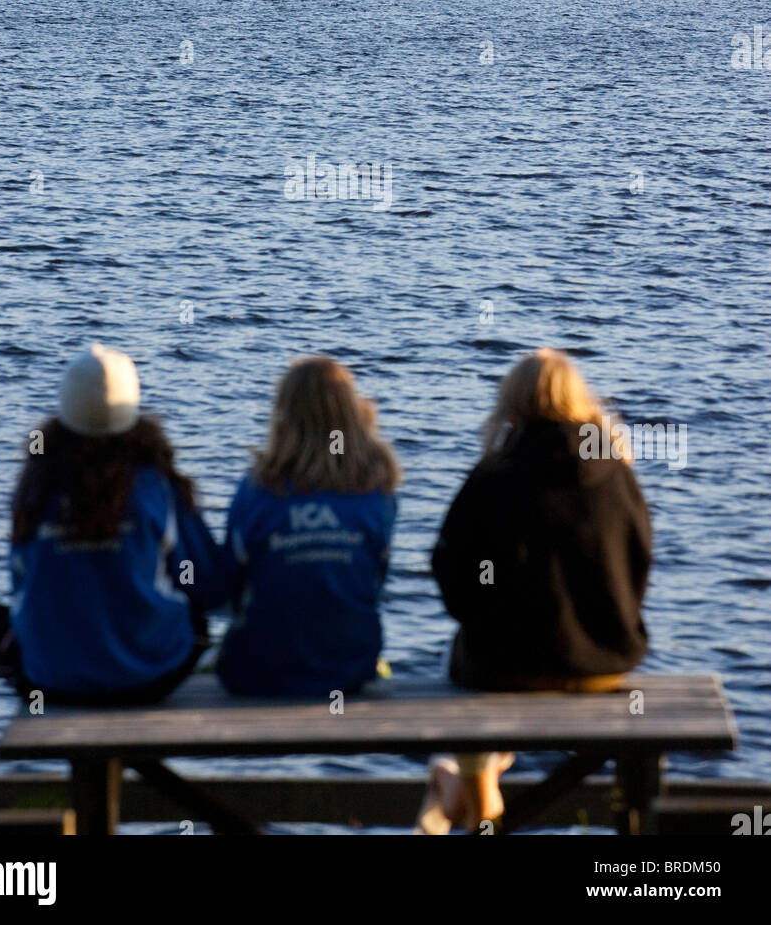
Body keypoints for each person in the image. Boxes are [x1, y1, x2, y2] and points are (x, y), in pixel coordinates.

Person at [417, 348, 652, 832]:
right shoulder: (617, 476)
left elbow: (455, 579)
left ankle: (467, 790)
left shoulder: (493, 477)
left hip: (504, 671)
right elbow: (639, 566)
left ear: (513, 404)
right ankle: (463, 793)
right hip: (601, 667)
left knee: (458, 660)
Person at [0, 344, 228, 706]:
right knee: (189, 610)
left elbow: (22, 580)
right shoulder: (158, 484)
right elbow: (211, 585)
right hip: (150, 679)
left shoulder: (36, 487)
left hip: (51, 680)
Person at [216, 356, 401, 696]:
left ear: (284, 415)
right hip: (351, 669)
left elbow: (228, 580)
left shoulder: (258, 488)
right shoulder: (378, 490)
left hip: (256, 672)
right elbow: (375, 576)